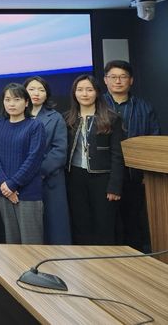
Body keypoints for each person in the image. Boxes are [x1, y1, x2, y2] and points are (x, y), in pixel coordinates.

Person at [103, 60, 161, 252]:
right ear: (105, 80)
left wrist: (148, 174)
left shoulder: (145, 107)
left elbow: (153, 141)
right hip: (106, 176)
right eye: (113, 77)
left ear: (131, 80)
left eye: (123, 77)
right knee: (109, 225)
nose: (118, 81)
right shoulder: (98, 105)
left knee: (135, 224)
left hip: (136, 175)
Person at [66, 74, 125, 245]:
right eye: (80, 90)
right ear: (74, 93)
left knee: (104, 224)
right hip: (75, 177)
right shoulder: (68, 119)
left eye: (89, 90)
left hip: (102, 178)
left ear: (97, 92)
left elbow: (117, 155)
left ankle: (104, 266)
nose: (84, 94)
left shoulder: (111, 118)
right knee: (80, 224)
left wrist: (115, 186)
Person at [0, 83, 46, 244]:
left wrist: (13, 184)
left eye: (17, 99)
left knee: (31, 242)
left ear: (27, 102)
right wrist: (6, 186)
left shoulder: (35, 126)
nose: (11, 104)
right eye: (7, 99)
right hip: (3, 191)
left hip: (27, 191)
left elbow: (33, 159)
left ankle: (33, 271)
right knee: (11, 241)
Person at [24, 76, 71, 245]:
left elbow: (59, 151)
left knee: (54, 227)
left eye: (41, 90)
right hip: (22, 182)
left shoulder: (55, 117)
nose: (36, 93)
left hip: (49, 179)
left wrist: (38, 172)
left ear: (47, 95)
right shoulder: (16, 116)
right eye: (31, 89)